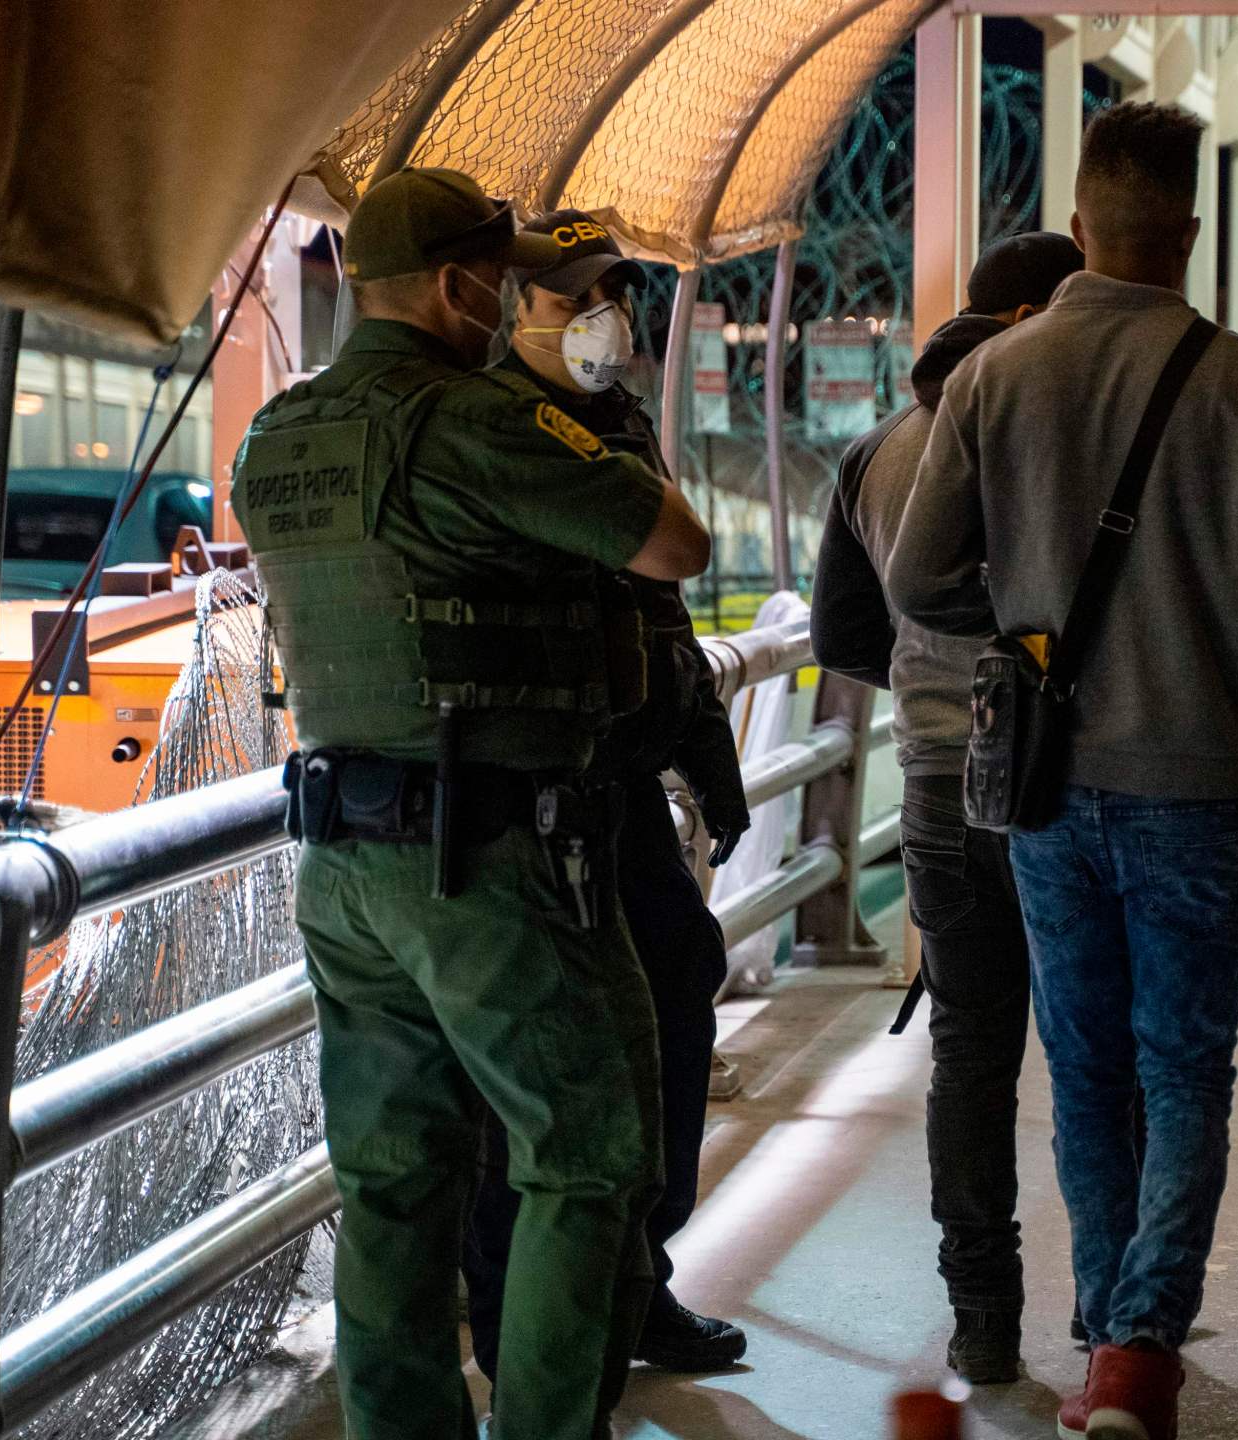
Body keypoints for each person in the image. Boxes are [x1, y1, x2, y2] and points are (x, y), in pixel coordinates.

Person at [228, 167, 710, 1440]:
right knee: (588, 1153)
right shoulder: (477, 422)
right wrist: (574, 411)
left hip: (339, 863)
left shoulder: (272, 439)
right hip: (489, 855)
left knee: (392, 1181)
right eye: (499, 277)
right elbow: (675, 547)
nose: (509, 299)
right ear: (456, 286)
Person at [885, 102, 1238, 1440]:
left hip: (1046, 790)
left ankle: (1104, 1338)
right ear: (1188, 232)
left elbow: (911, 575)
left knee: (1081, 1065)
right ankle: (1139, 1348)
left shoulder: (994, 377)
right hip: (1197, 779)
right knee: (1184, 1067)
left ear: (1079, 226)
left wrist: (1027, 630)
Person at [461, 209, 754, 1379]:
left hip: (618, 784)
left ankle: (640, 1278)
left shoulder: (611, 413)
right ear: (502, 308)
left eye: (610, 293)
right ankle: (511, 1307)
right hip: (521, 791)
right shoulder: (482, 426)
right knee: (524, 1067)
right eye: (571, 297)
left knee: (679, 986)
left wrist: (707, 750)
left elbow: (660, 611)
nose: (602, 318)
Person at [809, 228, 1085, 1385]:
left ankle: (980, 1318)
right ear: (1036, 316)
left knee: (971, 1051)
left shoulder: (875, 447)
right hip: (1070, 779)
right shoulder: (1058, 432)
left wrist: (932, 682)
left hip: (935, 779)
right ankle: (1114, 1310)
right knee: (1092, 1047)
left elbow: (839, 637)